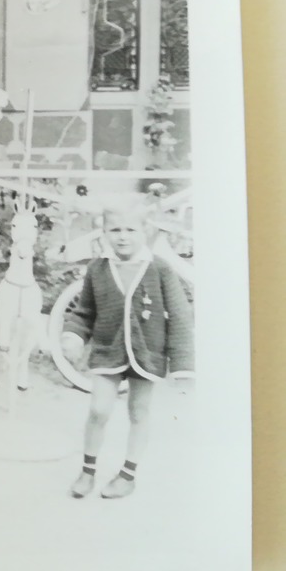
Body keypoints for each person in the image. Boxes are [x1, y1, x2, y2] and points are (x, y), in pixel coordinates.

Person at [61, 201, 195, 499]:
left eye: (131, 230)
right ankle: (87, 470)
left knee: (139, 411)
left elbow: (180, 316)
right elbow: (84, 311)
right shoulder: (98, 269)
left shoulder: (159, 268)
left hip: (148, 352)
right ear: (104, 231)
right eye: (115, 229)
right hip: (109, 350)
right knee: (98, 410)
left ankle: (128, 474)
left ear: (146, 231)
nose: (123, 236)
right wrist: (73, 335)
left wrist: (183, 365)